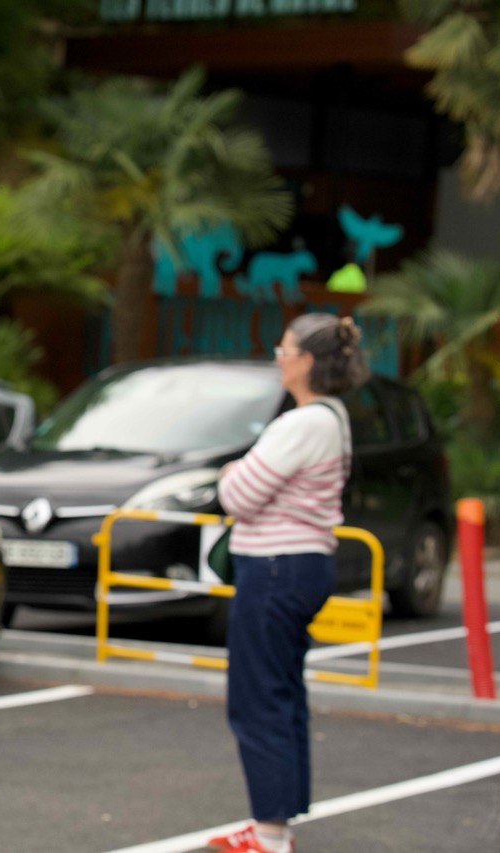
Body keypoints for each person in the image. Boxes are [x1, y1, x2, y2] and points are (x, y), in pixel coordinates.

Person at [209, 314, 369, 853]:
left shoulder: (302, 424)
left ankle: (271, 833)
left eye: (284, 350)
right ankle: (274, 824)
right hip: (303, 564)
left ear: (307, 361)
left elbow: (238, 495)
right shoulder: (332, 417)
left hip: (275, 567)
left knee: (258, 697)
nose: (278, 359)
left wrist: (231, 474)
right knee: (282, 692)